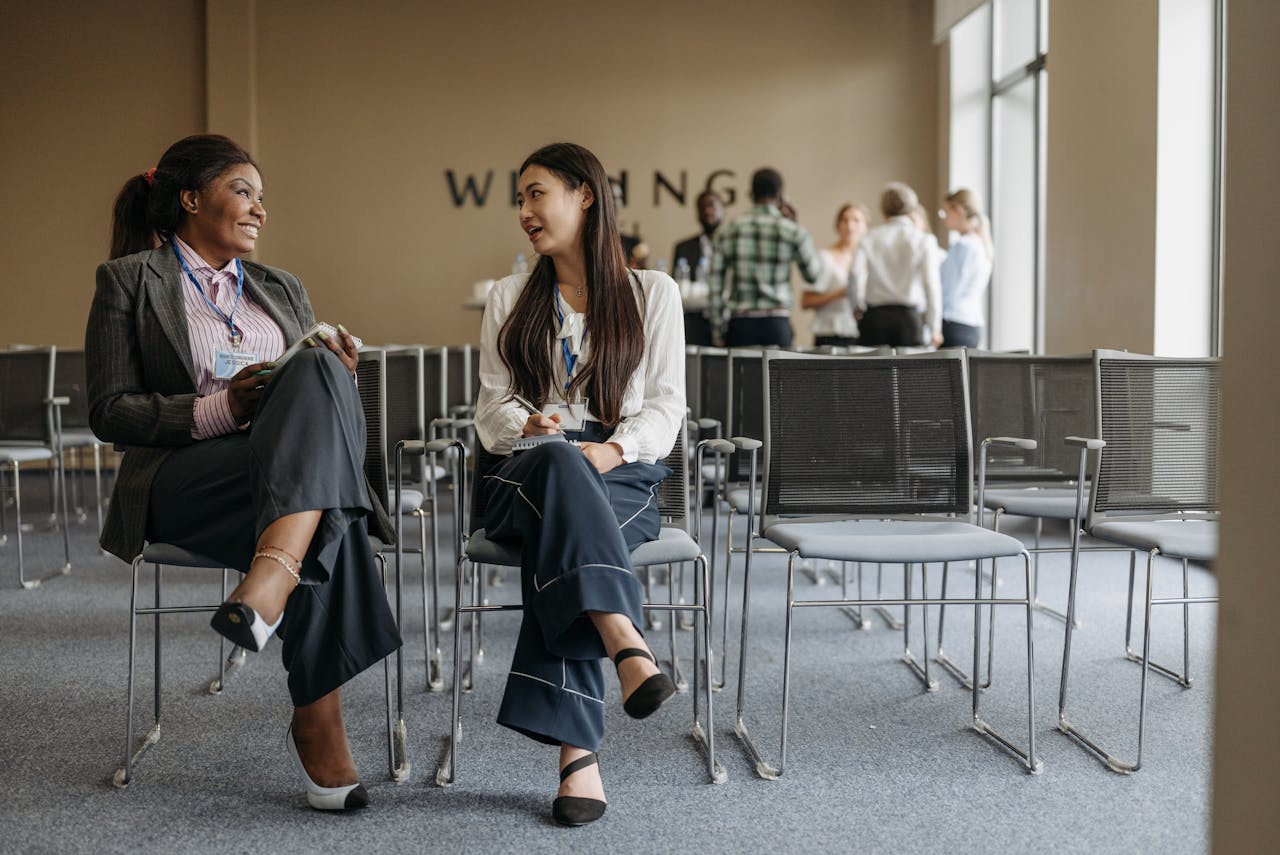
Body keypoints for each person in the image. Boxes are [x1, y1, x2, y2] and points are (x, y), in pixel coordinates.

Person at [87, 134, 401, 813]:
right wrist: (219, 406)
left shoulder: (282, 286)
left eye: (263, 196)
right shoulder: (130, 281)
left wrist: (336, 376)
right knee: (327, 512)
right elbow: (109, 411)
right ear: (192, 198)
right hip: (184, 475)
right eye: (244, 191)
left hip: (278, 474)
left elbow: (314, 398)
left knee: (321, 365)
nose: (259, 208)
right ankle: (317, 715)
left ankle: (273, 574)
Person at [474, 142, 685, 827]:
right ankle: (625, 638)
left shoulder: (653, 293)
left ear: (584, 195)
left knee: (562, 541)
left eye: (537, 194)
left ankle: (578, 756)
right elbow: (489, 408)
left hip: (621, 473)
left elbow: (665, 407)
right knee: (560, 468)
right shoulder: (507, 295)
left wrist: (614, 447)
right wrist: (527, 424)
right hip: (524, 472)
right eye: (520, 200)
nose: (525, 212)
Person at [708, 168, 823, 347]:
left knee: (739, 376)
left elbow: (715, 286)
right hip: (777, 323)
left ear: (751, 194)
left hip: (741, 325)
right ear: (781, 195)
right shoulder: (792, 231)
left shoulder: (728, 231)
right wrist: (797, 226)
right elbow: (814, 275)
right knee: (778, 376)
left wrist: (718, 329)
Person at [852, 182, 943, 348]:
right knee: (909, 373)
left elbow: (854, 274)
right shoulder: (924, 240)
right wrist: (934, 327)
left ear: (883, 208)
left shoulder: (869, 237)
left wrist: (856, 306)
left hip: (875, 318)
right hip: (909, 320)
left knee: (872, 373)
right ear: (912, 208)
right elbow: (931, 284)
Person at [801, 202, 868, 347]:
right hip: (830, 334)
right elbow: (806, 301)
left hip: (862, 333)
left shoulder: (870, 260)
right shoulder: (823, 257)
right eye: (845, 220)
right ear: (838, 225)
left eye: (856, 220)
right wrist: (838, 294)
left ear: (865, 226)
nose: (850, 225)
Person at [938, 188, 994, 348]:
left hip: (954, 324)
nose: (944, 218)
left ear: (958, 210)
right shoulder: (981, 244)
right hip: (972, 324)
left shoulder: (964, 246)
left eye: (945, 212)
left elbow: (948, 290)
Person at [672, 190, 725, 345]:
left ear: (723, 209)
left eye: (712, 206)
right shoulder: (683, 248)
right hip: (694, 323)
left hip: (727, 322)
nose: (707, 211)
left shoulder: (732, 245)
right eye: (702, 208)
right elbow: (679, 289)